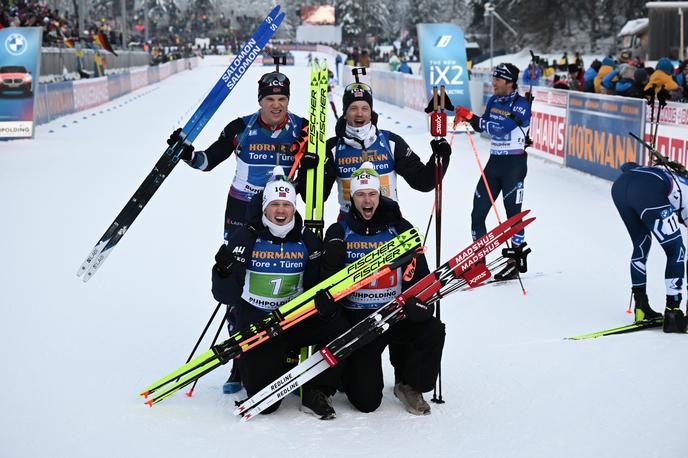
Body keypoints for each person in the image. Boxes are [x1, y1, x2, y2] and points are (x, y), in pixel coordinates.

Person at [167, 70, 310, 394]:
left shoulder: (302, 128)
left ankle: (281, 350)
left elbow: (318, 168)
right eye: (270, 99)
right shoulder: (240, 127)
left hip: (280, 210)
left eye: (282, 99)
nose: (276, 106)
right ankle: (239, 360)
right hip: (242, 211)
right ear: (260, 100)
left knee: (279, 277)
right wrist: (186, 152)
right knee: (238, 282)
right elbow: (207, 161)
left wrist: (312, 167)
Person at [211, 167, 350, 417]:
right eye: (274, 204)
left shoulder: (306, 238)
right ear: (264, 207)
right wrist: (223, 272)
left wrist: (328, 297)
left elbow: (317, 284)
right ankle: (266, 362)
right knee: (267, 405)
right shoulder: (247, 236)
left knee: (340, 323)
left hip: (293, 318)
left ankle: (316, 387)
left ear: (294, 207)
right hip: (258, 322)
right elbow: (227, 297)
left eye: (286, 205)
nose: (281, 211)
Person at [319, 162, 446, 414]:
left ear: (380, 195)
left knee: (431, 329)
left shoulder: (400, 228)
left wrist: (421, 304)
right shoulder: (339, 230)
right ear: (351, 198)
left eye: (372, 194)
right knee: (367, 403)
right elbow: (324, 282)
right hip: (360, 320)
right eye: (360, 194)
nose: (367, 200)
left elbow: (421, 277)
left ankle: (409, 384)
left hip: (394, 313)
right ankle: (349, 373)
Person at [314, 79, 452, 219]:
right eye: (353, 108)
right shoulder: (332, 148)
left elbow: (423, 182)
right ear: (345, 113)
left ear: (371, 112)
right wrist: (309, 169)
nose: (359, 113)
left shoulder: (390, 142)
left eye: (365, 108)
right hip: (350, 226)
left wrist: (441, 157)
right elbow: (315, 198)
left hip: (389, 222)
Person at [454, 62, 531, 280]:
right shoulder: (493, 100)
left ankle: (514, 261)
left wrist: (471, 117)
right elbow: (482, 127)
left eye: (497, 79)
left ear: (509, 82)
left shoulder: (521, 104)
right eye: (493, 78)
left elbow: (499, 129)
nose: (493, 82)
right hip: (494, 163)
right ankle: (479, 262)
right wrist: (470, 119)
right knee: (477, 214)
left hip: (514, 167)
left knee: (512, 217)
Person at [611, 162, 687, 333]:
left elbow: (626, 166)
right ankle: (673, 313)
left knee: (641, 243)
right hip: (647, 189)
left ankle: (641, 307)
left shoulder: (665, 173)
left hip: (621, 186)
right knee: (677, 250)